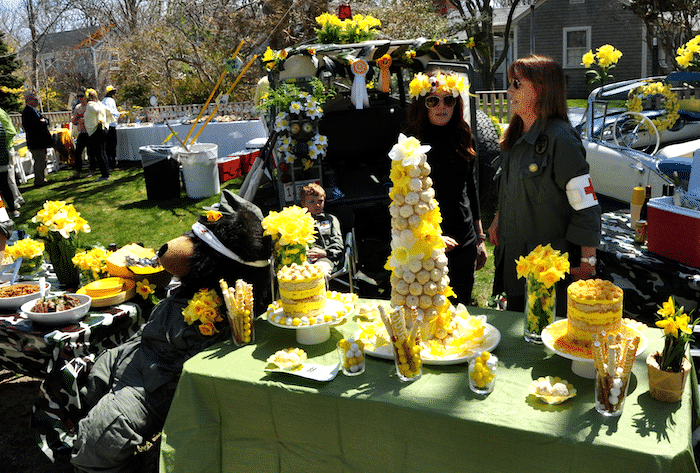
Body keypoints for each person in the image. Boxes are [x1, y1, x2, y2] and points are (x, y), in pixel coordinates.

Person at [487, 55, 601, 313]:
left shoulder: (561, 139)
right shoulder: (515, 136)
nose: (509, 91)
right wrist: (497, 218)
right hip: (515, 262)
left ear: (542, 89)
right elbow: (509, 187)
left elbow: (586, 204)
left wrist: (588, 260)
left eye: (517, 84)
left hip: (547, 270)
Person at [403, 69, 488, 306]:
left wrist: (479, 238)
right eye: (433, 100)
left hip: (464, 240)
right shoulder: (410, 144)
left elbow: (470, 189)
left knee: (461, 309)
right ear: (423, 104)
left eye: (448, 99)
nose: (442, 106)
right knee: (430, 311)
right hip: (427, 243)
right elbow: (404, 201)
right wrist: (432, 237)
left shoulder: (463, 137)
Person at [300, 182, 344, 276]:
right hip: (303, 258)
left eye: (320, 201)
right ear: (303, 204)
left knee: (317, 273)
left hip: (326, 258)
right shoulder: (298, 222)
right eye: (312, 202)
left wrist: (324, 252)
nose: (317, 205)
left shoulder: (330, 220)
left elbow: (338, 246)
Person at [21, 92, 53, 187]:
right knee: (39, 161)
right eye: (35, 99)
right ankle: (39, 181)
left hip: (41, 141)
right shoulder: (27, 112)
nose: (38, 101)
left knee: (43, 160)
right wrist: (43, 122)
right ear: (29, 101)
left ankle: (42, 178)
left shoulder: (35, 110)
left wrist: (44, 121)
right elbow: (35, 125)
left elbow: (46, 120)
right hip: (35, 141)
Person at [84, 88, 113, 181]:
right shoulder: (99, 104)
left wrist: (100, 119)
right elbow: (108, 111)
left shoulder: (91, 105)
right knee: (103, 153)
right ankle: (106, 173)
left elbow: (97, 111)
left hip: (96, 130)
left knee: (99, 153)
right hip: (103, 129)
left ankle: (104, 175)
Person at [0, 107, 19, 218]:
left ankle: (11, 209)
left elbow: (6, 134)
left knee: (5, 185)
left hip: (2, 156)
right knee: (5, 185)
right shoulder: (2, 113)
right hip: (3, 156)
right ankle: (12, 209)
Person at [70, 91, 90, 179]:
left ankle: (92, 170)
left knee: (91, 152)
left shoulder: (90, 106)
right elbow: (74, 120)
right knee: (78, 152)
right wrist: (75, 119)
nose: (80, 98)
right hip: (81, 132)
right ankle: (77, 172)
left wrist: (84, 119)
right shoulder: (78, 107)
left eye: (81, 96)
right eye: (78, 96)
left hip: (90, 132)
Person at [102, 85, 120, 169]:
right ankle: (112, 162)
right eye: (115, 93)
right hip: (111, 124)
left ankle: (109, 162)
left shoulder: (104, 100)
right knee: (112, 145)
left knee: (107, 146)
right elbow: (111, 112)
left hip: (105, 125)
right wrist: (118, 114)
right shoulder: (110, 101)